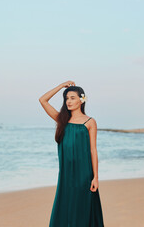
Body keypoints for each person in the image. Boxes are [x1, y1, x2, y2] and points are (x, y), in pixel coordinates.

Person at [39, 80, 105, 227]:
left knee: (83, 208)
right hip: (66, 174)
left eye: (72, 98)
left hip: (84, 173)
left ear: (81, 100)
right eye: (66, 98)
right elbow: (42, 100)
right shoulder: (62, 120)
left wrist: (96, 177)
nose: (68, 101)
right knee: (65, 207)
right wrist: (60, 86)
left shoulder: (90, 122)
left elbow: (93, 150)